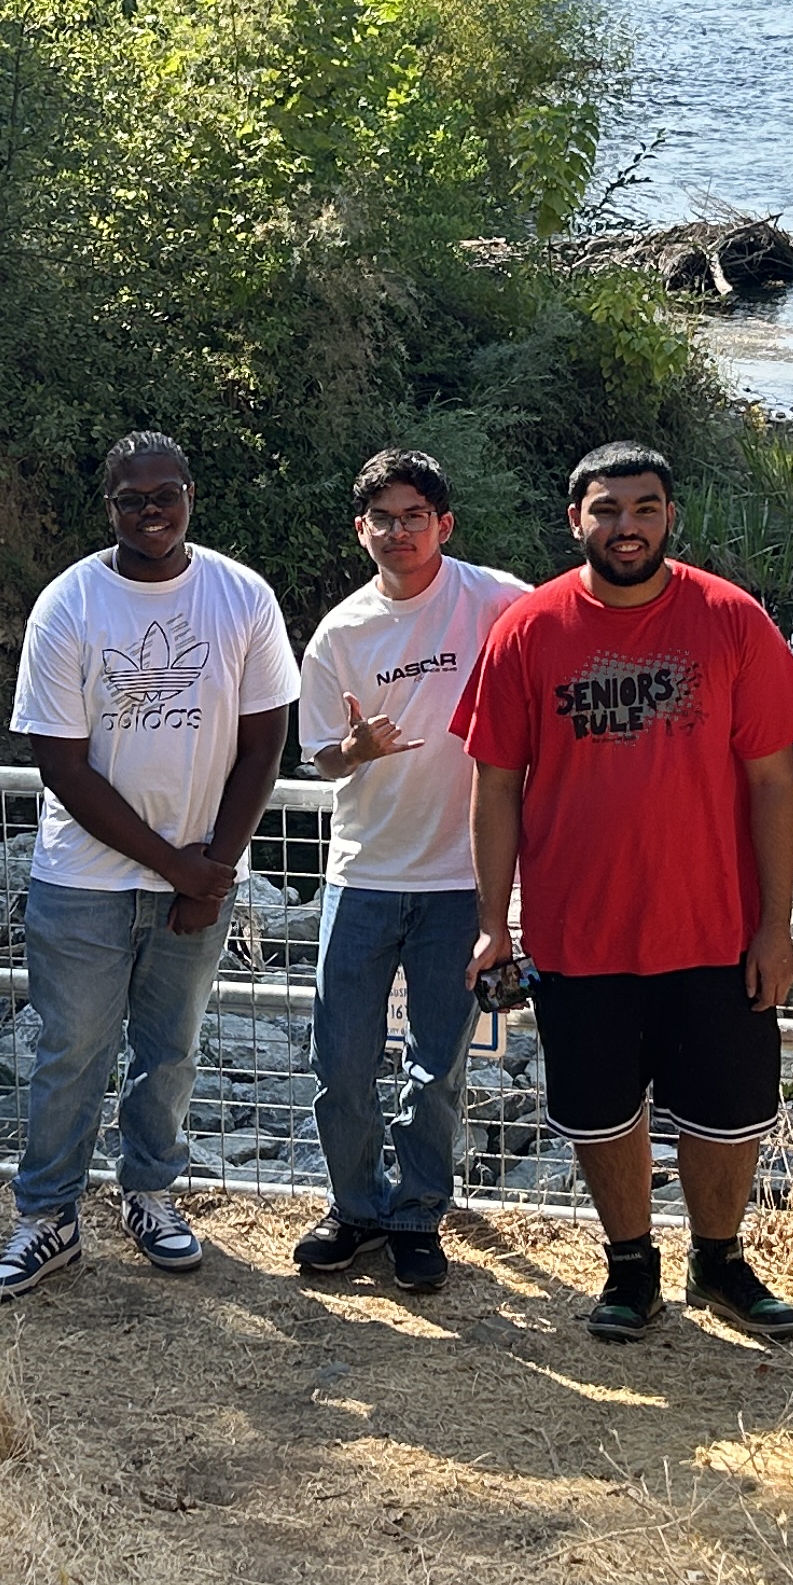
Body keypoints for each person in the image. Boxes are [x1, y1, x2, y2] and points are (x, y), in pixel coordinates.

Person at [457, 442, 793, 1343]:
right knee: (600, 1110)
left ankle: (720, 1259)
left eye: (646, 508)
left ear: (671, 516)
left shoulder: (731, 619)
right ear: (575, 518)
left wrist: (774, 929)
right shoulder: (529, 630)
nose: (628, 526)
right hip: (579, 931)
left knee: (727, 1112)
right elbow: (496, 784)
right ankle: (630, 1267)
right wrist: (493, 924)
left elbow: (776, 785)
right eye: (608, 509)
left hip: (715, 927)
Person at [0, 434, 299, 1302]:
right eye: (131, 500)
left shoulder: (243, 597)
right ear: (107, 505)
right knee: (71, 1050)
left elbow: (265, 745)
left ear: (191, 495)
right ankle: (48, 1217)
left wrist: (215, 868)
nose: (150, 513)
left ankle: (150, 1196)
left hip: (200, 876)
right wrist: (180, 870)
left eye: (166, 496)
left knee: (172, 1053)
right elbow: (64, 766)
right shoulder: (69, 603)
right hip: (81, 880)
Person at [289, 449, 530, 1297]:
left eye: (414, 516)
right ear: (362, 530)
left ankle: (419, 1213)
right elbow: (319, 757)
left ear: (444, 524)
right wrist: (354, 750)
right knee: (341, 1062)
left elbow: (562, 646)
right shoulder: (341, 633)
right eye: (382, 519)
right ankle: (354, 1207)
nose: (399, 532)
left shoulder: (496, 599)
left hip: (462, 881)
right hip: (362, 874)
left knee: (439, 1066)